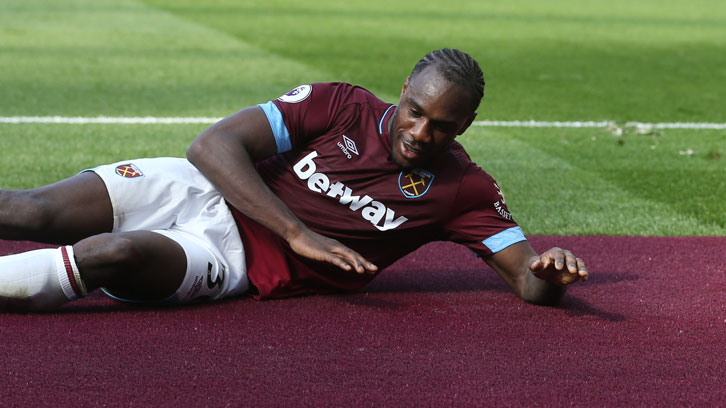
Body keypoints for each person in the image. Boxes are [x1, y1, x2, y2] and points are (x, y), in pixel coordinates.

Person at [0, 48, 587, 312]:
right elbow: (211, 146)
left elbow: (529, 283)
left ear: (467, 125)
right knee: (28, 211)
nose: (420, 133)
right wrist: (297, 231)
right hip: (201, 186)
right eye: (416, 112)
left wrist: (550, 274)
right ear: (404, 90)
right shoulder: (339, 105)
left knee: (114, 253)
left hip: (230, 257)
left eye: (442, 127)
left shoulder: (465, 189)